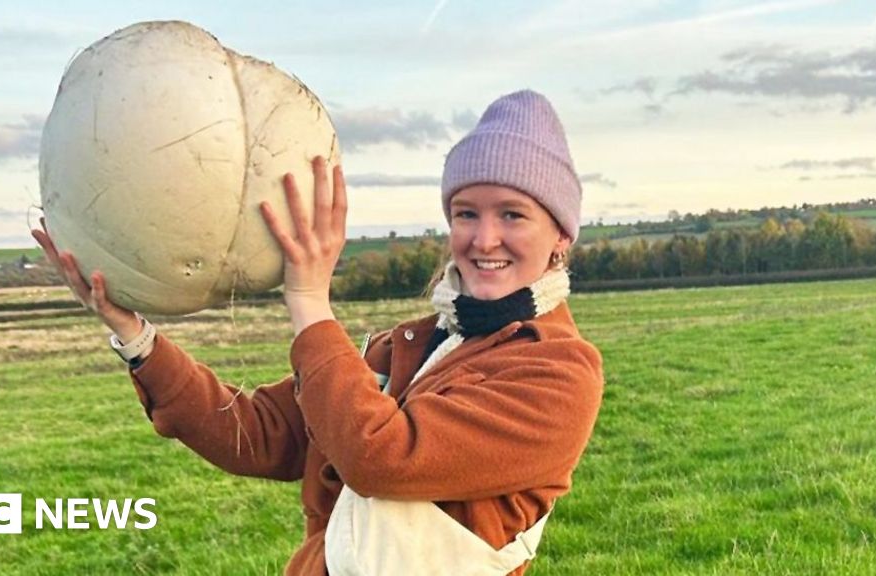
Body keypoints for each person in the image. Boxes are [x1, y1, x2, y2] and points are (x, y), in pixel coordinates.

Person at [33, 89, 603, 576]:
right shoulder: (410, 345)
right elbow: (260, 432)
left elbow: (381, 457)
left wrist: (308, 301)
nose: (483, 240)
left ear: (560, 236)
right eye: (465, 213)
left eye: (512, 214)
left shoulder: (558, 372)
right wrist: (134, 334)